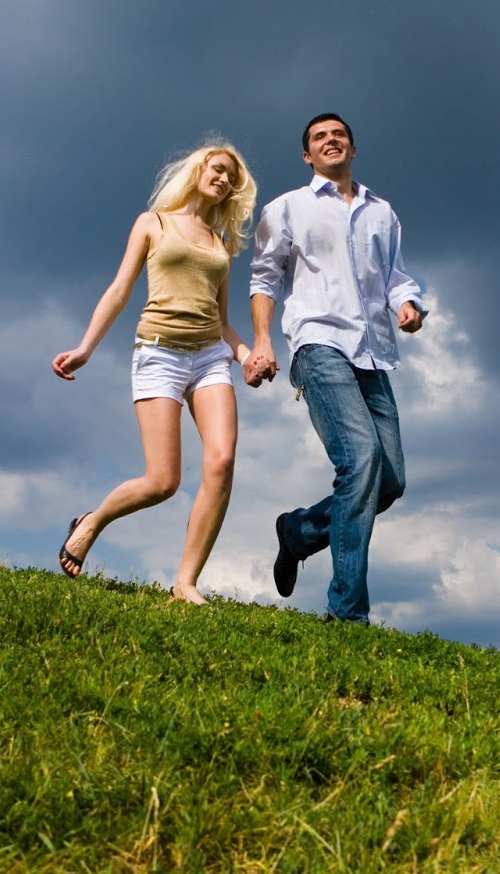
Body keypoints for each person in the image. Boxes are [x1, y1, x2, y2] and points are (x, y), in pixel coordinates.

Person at [51, 141, 258, 604]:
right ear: (198, 169)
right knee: (163, 482)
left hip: (209, 357)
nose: (224, 180)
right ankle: (92, 522)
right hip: (159, 353)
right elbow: (119, 290)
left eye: (232, 179)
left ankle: (185, 582)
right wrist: (85, 348)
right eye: (218, 170)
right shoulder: (154, 223)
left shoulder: (222, 246)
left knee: (221, 462)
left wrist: (248, 357)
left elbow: (222, 322)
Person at [245, 113, 424, 623]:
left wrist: (408, 304)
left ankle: (299, 532)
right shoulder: (287, 208)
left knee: (389, 481)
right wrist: (262, 341)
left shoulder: (381, 212)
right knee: (360, 459)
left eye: (339, 134)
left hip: (373, 352)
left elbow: (396, 277)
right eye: (320, 137)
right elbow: (264, 277)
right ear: (308, 156)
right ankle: (347, 613)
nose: (331, 140)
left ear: (352, 148)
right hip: (318, 343)